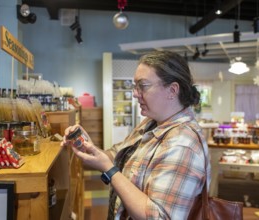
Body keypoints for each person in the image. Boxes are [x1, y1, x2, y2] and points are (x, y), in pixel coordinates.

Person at [61, 50, 211, 220]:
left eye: (143, 86)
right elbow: (117, 154)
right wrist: (87, 145)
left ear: (172, 90)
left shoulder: (183, 145)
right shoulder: (151, 123)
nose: (134, 93)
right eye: (135, 86)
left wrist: (110, 171)